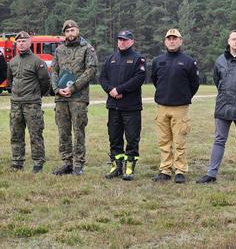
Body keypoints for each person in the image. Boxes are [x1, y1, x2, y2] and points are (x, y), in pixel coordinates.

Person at [196, 30, 236, 186]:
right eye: (234, 39)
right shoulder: (220, 61)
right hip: (223, 107)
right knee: (219, 140)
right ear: (229, 41)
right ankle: (211, 174)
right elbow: (217, 80)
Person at [151, 29, 200, 184]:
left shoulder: (188, 61)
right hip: (162, 106)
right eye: (169, 39)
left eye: (175, 38)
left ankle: (180, 170)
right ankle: (165, 169)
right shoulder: (158, 60)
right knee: (164, 141)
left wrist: (184, 96)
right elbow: (154, 80)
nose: (172, 41)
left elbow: (194, 84)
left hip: (180, 107)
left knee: (179, 141)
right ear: (165, 42)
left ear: (181, 41)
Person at [51, 20, 98, 176]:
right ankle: (67, 163)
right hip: (61, 98)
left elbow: (90, 70)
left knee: (78, 131)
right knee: (63, 131)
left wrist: (73, 87)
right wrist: (57, 89)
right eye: (67, 31)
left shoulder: (87, 48)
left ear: (78, 30)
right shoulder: (59, 50)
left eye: (73, 30)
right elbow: (54, 71)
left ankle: (78, 164)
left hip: (78, 97)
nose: (70, 33)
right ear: (64, 33)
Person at [100, 30, 146, 181]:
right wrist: (111, 90)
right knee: (114, 137)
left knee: (132, 138)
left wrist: (120, 90)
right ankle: (116, 166)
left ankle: (129, 167)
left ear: (132, 42)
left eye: (125, 40)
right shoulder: (111, 59)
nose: (122, 42)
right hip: (113, 106)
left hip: (131, 107)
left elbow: (138, 79)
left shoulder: (138, 59)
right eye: (120, 40)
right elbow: (103, 78)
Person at [7, 31, 50, 172]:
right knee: (16, 134)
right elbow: (10, 81)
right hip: (16, 104)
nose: (21, 44)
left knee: (35, 134)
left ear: (30, 42)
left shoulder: (38, 62)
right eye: (19, 42)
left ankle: (38, 163)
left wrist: (36, 95)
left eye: (24, 41)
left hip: (32, 104)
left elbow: (45, 83)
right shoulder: (12, 62)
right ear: (16, 43)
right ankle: (17, 162)